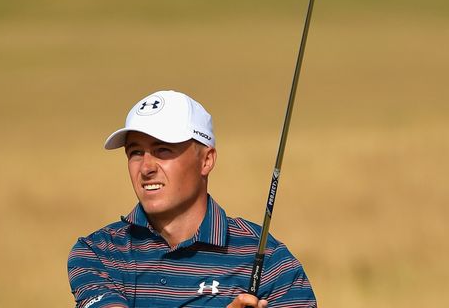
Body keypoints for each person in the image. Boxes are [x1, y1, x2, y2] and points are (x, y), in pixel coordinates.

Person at [67, 90, 317, 307]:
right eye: (135, 152)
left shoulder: (271, 261)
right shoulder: (99, 252)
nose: (145, 168)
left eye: (163, 149)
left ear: (206, 161)